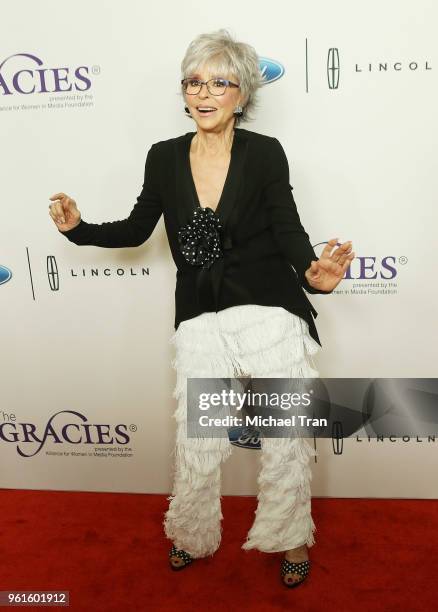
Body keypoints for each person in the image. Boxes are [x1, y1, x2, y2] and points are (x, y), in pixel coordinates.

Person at [48, 29, 354, 589]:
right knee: (198, 437)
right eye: (194, 81)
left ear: (242, 94)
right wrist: (78, 229)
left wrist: (317, 277)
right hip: (199, 313)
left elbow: (287, 229)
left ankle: (290, 539)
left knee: (287, 434)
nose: (204, 92)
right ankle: (191, 533)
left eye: (220, 81)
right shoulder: (163, 157)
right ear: (183, 91)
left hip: (269, 308)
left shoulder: (264, 153)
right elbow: (138, 227)